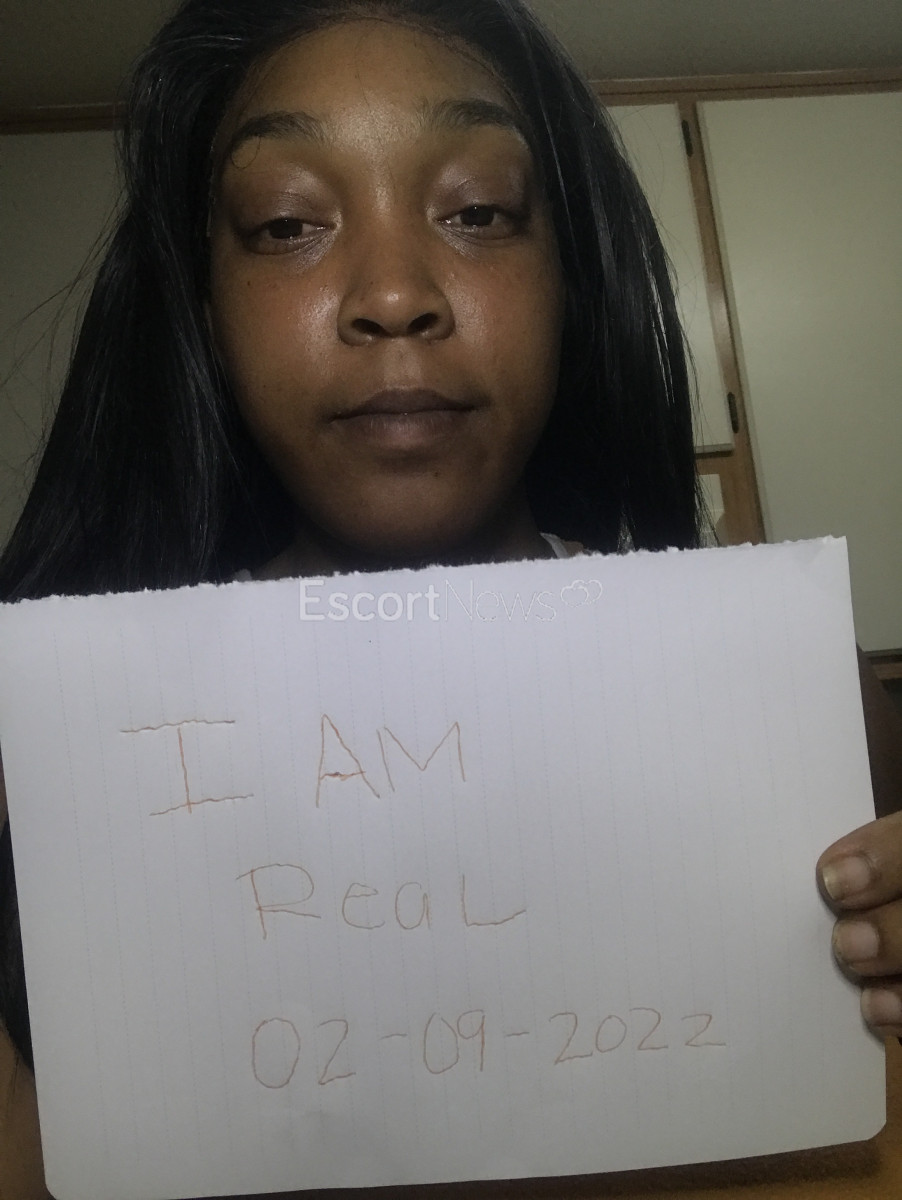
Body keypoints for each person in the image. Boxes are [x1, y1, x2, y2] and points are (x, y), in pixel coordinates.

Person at [0, 0, 900, 1195]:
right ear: (205, 312)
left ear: (567, 276)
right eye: (284, 224)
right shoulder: (59, 773)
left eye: (477, 210)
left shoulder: (803, 708)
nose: (392, 292)